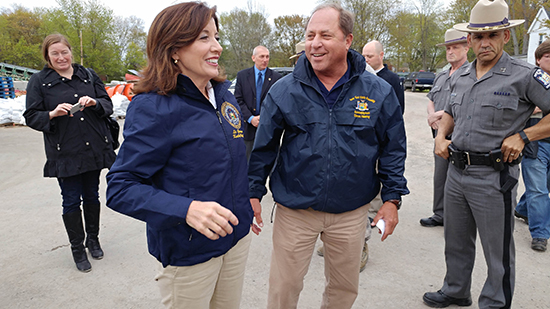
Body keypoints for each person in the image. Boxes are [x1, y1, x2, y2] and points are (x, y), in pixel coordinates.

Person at [248, 3, 408, 308]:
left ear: (347, 40)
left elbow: (393, 149)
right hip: (295, 212)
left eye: (325, 35)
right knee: (283, 288)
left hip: (351, 213)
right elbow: (264, 148)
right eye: (310, 35)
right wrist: (253, 191)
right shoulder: (284, 91)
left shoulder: (378, 91)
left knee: (343, 290)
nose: (315, 43)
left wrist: (392, 199)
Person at [105, 3, 253, 308]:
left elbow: (234, 161)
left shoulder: (224, 95)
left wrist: (248, 198)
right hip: (190, 253)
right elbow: (121, 186)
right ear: (174, 49)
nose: (217, 46)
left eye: (216, 36)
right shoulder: (153, 107)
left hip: (237, 238)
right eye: (204, 38)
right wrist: (186, 209)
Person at [423, 0, 550, 307]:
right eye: (478, 37)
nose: (485, 43)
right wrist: (441, 134)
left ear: (505, 36)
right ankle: (456, 289)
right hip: (456, 171)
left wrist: (524, 136)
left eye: (492, 35)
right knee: (455, 240)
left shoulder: (524, 75)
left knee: (498, 250)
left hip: (494, 177)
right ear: (470, 40)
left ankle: (495, 302)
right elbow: (451, 111)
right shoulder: (461, 75)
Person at [23, 33, 115, 273]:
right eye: (55, 53)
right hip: (65, 151)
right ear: (47, 57)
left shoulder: (88, 75)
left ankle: (93, 240)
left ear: (70, 52)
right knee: (71, 200)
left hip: (92, 147)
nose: (61, 57)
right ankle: (77, 249)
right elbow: (31, 117)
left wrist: (95, 103)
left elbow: (107, 104)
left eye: (64, 52)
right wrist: (52, 114)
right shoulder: (39, 81)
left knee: (92, 196)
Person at [420, 29, 469, 227]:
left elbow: (465, 105)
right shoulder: (441, 76)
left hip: (461, 134)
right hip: (440, 134)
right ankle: (439, 214)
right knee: (440, 175)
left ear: (467, 48)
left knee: (459, 177)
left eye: (455, 47)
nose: (451, 51)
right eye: (448, 48)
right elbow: (431, 98)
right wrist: (431, 116)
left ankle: (457, 219)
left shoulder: (471, 74)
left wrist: (440, 116)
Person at [514, 39, 550, 252]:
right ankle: (540, 234)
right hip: (535, 144)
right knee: (538, 190)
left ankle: (523, 209)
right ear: (538, 59)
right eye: (548, 57)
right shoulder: (528, 80)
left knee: (543, 187)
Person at [235, 46, 282, 160]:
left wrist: (265, 117)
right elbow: (238, 100)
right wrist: (251, 118)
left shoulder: (276, 78)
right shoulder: (242, 76)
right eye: (262, 56)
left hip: (268, 129)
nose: (265, 60)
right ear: (253, 58)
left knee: (270, 163)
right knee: (248, 164)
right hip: (248, 129)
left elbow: (278, 102)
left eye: (267, 57)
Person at [362, 40, 405, 114]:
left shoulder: (393, 79)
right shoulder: (360, 76)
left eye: (369, 56)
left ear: (381, 55)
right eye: (363, 56)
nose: (366, 60)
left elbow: (399, 108)